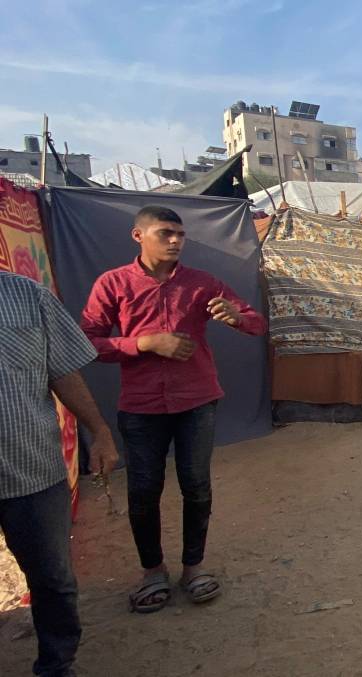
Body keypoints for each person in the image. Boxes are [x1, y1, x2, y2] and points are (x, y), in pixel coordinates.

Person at [80, 205, 266, 613]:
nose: (175, 241)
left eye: (180, 235)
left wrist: (236, 316)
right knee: (144, 491)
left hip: (197, 401)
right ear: (138, 236)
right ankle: (152, 572)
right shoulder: (112, 284)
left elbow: (256, 323)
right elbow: (86, 343)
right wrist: (143, 343)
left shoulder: (202, 284)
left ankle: (194, 568)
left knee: (196, 485)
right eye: (165, 233)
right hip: (141, 406)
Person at [1, 270, 119, 676]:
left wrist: (100, 432)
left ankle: (56, 665)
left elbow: (63, 370)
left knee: (52, 578)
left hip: (31, 467)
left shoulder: (28, 296)